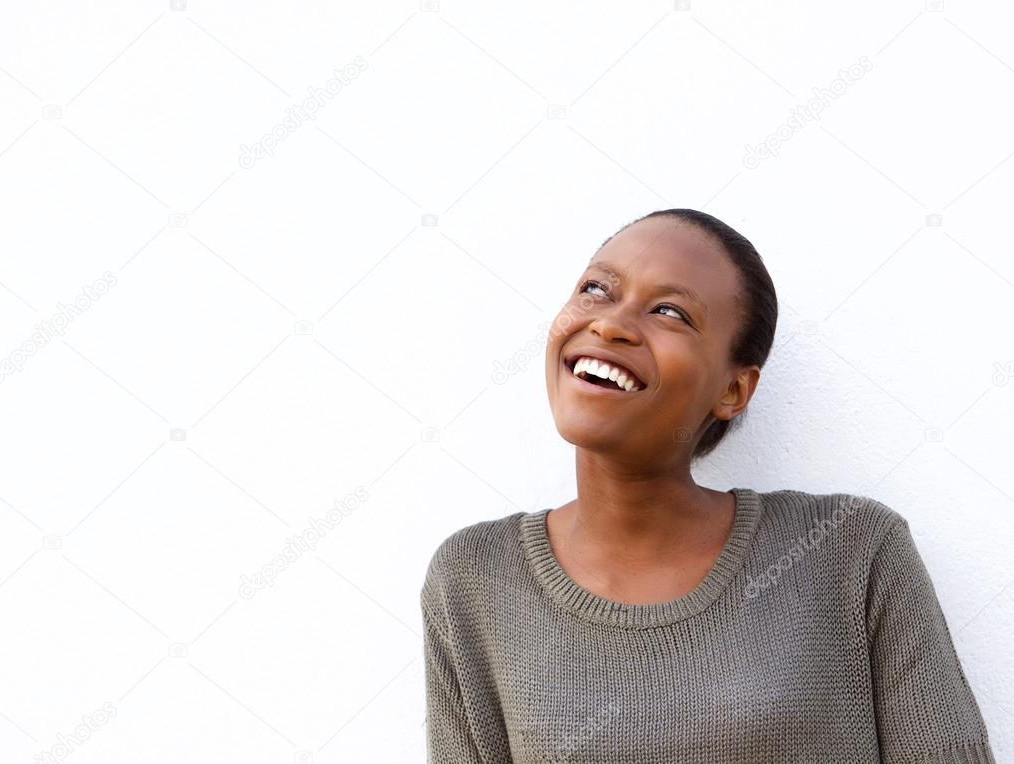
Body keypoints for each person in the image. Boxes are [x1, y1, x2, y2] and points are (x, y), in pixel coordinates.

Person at [421, 208, 995, 762]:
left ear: (733, 390)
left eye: (669, 312)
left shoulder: (849, 548)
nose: (610, 323)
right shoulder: (473, 578)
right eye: (596, 288)